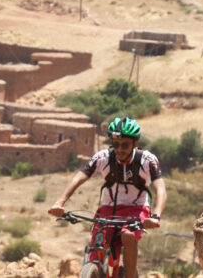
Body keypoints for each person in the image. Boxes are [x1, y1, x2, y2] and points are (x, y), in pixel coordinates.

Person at [48, 116, 166, 278]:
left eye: (125, 144)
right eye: (116, 144)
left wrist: (156, 216)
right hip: (107, 211)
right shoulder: (103, 157)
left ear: (135, 143)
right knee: (96, 249)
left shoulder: (147, 160)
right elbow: (79, 177)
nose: (119, 149)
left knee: (128, 235)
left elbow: (160, 188)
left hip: (137, 210)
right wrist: (59, 202)